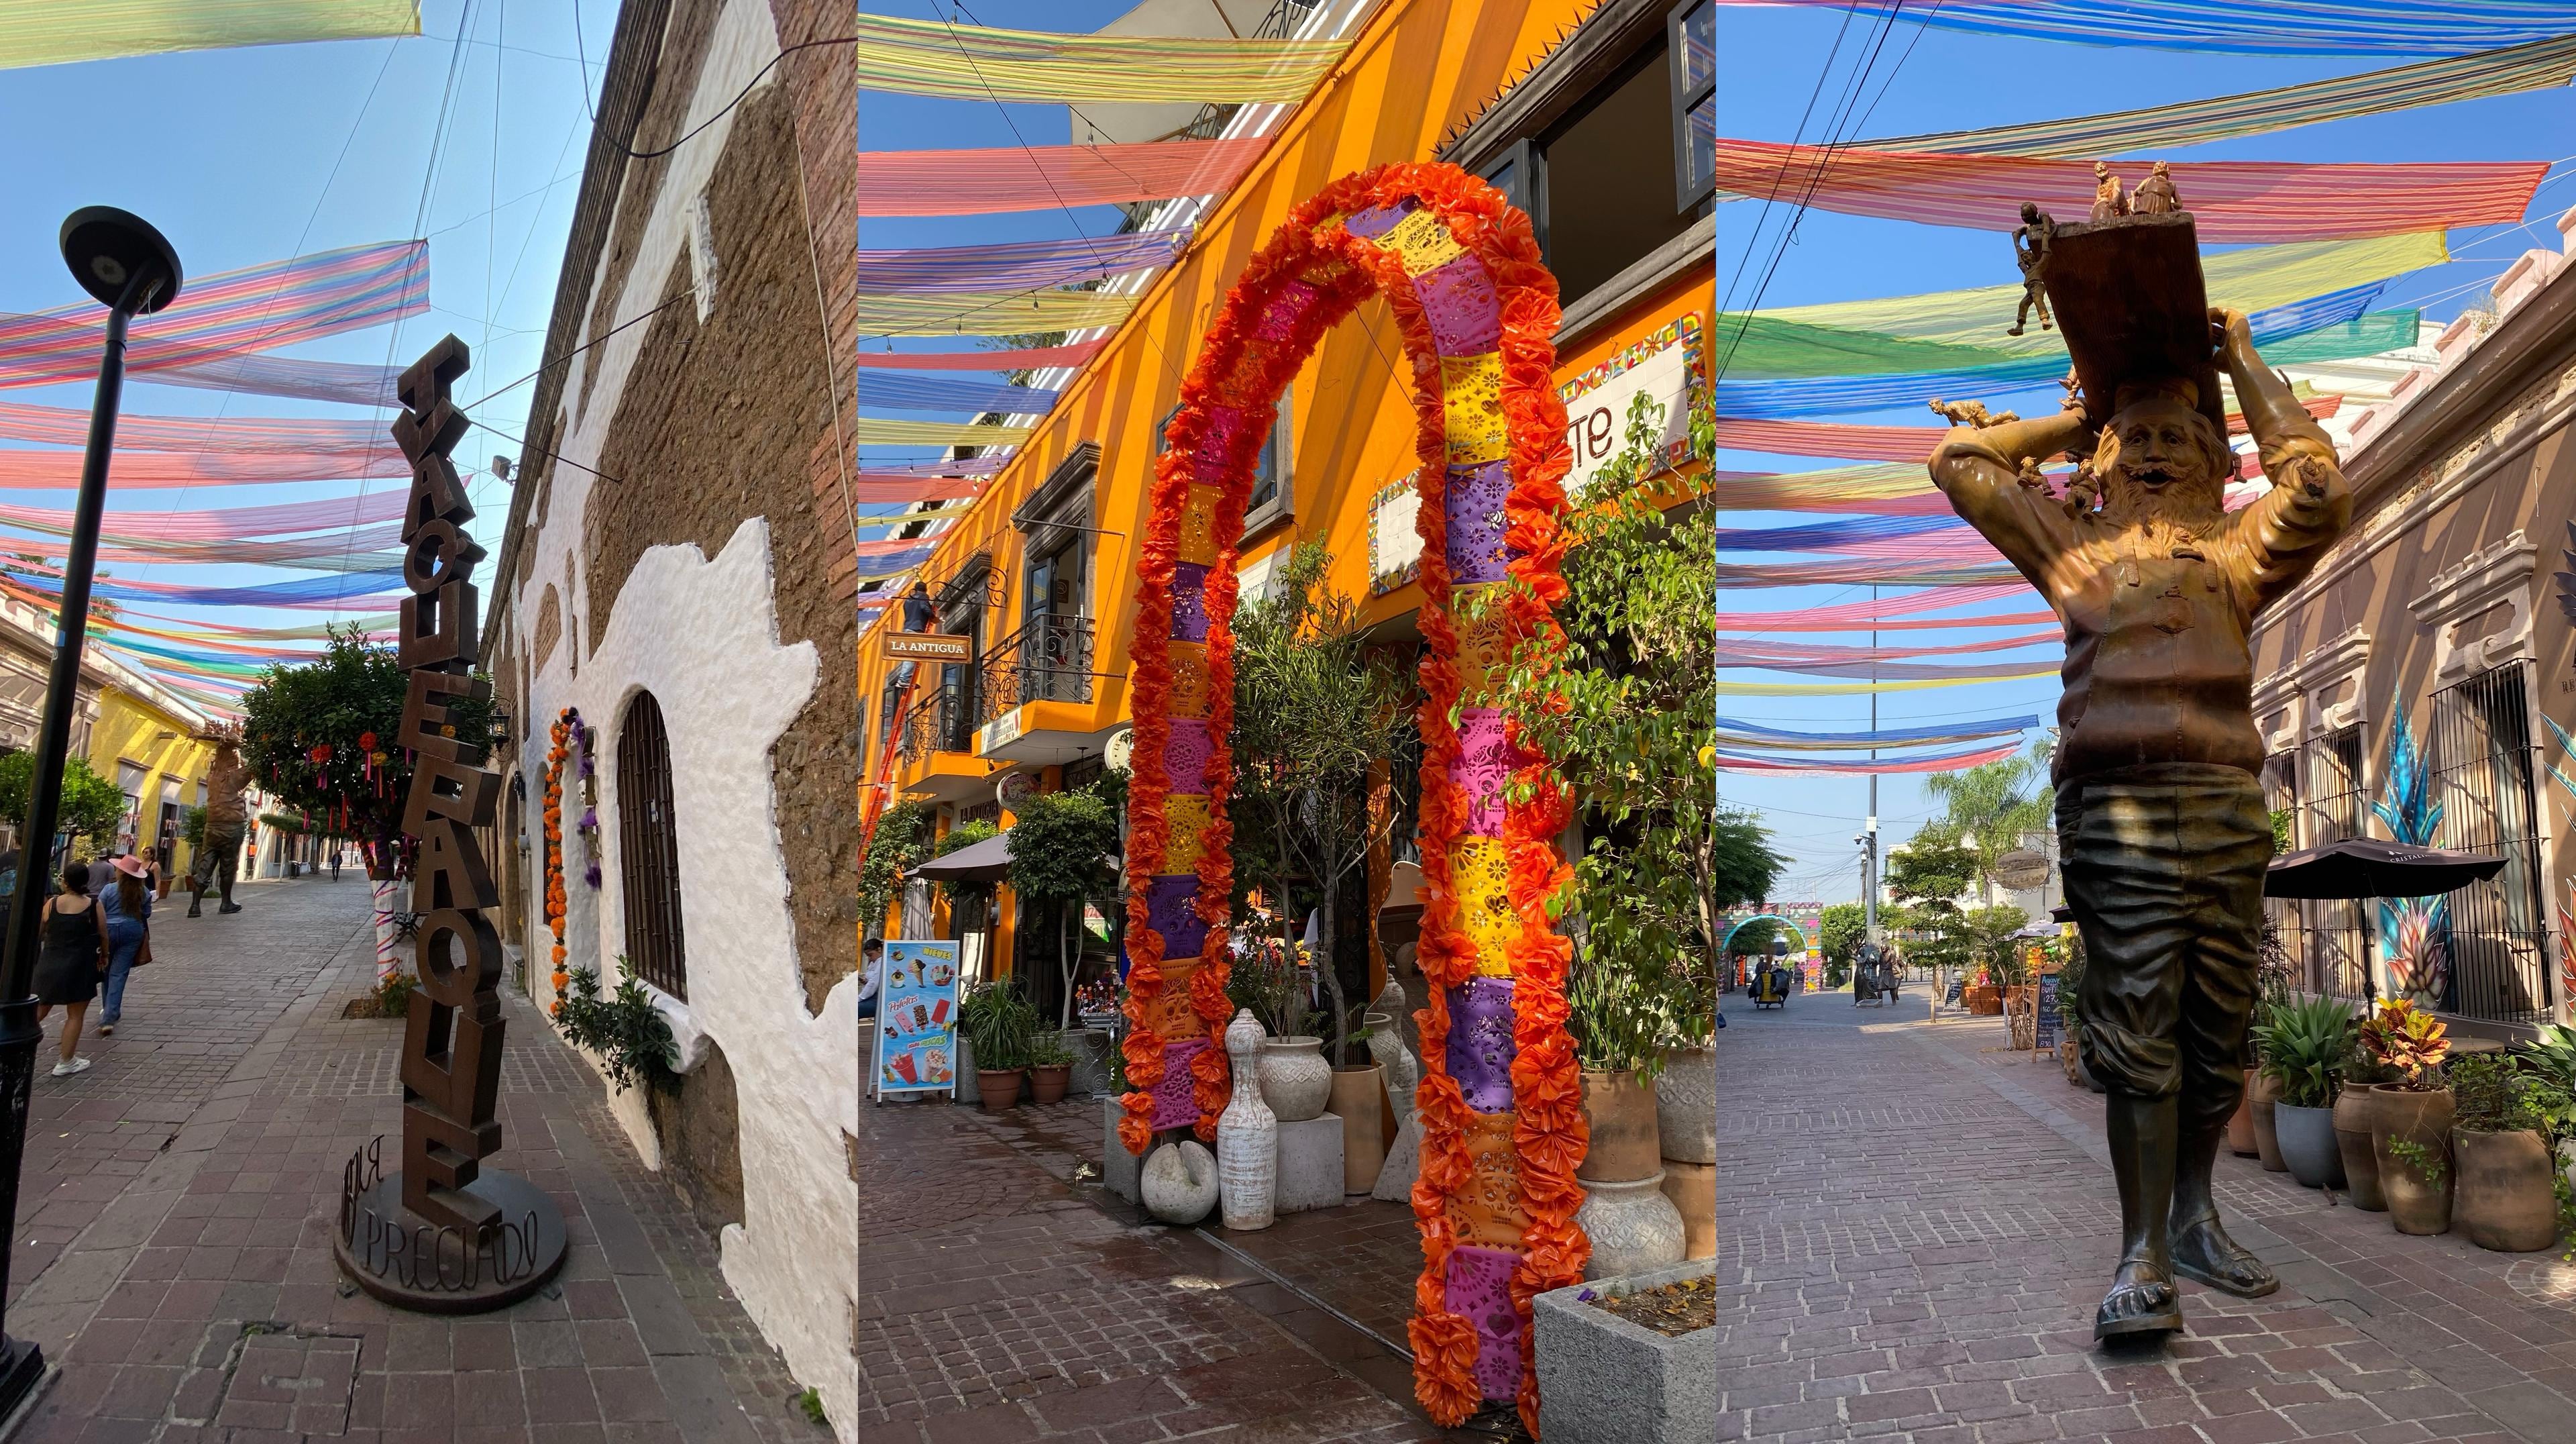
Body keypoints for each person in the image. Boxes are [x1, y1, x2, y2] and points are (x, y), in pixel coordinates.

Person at [1927, 307, 2349, 1339]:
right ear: (2105, 468)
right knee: (2138, 1029)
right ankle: (2143, 1255)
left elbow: (2321, 489)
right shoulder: (2074, 548)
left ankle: (2198, 1216)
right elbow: (1961, 461)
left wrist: (2237, 357)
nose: (2157, 454)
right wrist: (2078, 428)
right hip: (2117, 811)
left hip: (2225, 808)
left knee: (2217, 1036)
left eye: (2178, 438)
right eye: (2138, 441)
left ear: (2216, 465)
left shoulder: (2236, 554)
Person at [32, 860, 108, 1077]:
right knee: (75, 1015)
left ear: (65, 881)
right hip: (79, 965)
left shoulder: (52, 904)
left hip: (50, 963)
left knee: (38, 1011)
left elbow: (38, 932)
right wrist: (105, 955)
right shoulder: (94, 905)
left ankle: (10, 1049)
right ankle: (66, 1061)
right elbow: (103, 934)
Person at [97, 854, 152, 1037]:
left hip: (109, 930)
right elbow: (146, 913)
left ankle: (109, 1011)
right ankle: (110, 1014)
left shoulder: (109, 889)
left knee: (106, 970)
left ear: (120, 871)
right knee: (119, 973)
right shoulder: (143, 892)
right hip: (132, 931)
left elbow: (100, 911)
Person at [857, 938, 884, 1021]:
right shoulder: (874, 963)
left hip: (879, 999)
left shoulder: (882, 962)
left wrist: (860, 998)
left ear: (879, 950)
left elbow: (874, 983)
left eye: (871, 955)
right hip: (873, 996)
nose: (870, 958)